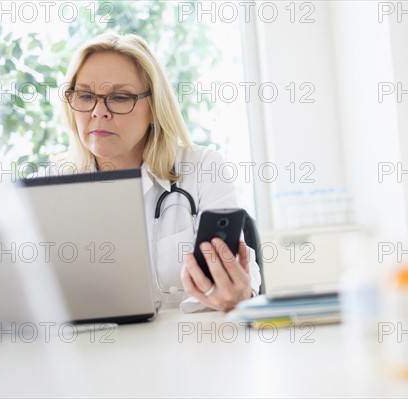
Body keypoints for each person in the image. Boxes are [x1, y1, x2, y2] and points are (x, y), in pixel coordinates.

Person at [52, 32, 261, 313]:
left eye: (120, 97)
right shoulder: (52, 185)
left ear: (153, 107)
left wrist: (238, 293)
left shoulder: (202, 168)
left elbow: (243, 279)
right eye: (86, 95)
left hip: (191, 349)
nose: (99, 112)